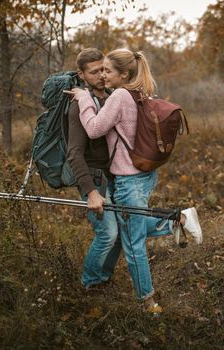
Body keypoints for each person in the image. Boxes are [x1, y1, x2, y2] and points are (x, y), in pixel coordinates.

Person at [65, 49, 203, 314]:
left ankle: (148, 303)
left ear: (124, 74)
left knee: (133, 245)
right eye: (100, 70)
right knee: (128, 228)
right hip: (143, 175)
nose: (103, 76)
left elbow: (94, 129)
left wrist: (83, 97)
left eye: (108, 70)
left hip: (129, 180)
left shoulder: (118, 96)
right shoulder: (139, 93)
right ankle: (178, 220)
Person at [65, 48, 119, 291]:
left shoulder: (112, 97)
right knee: (108, 233)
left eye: (103, 69)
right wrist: (91, 192)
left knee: (120, 234)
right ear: (82, 75)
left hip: (116, 176)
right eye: (94, 72)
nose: (101, 76)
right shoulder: (79, 106)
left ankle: (103, 280)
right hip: (94, 178)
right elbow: (74, 153)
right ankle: (89, 284)